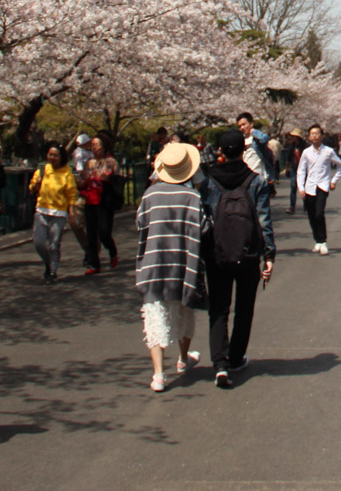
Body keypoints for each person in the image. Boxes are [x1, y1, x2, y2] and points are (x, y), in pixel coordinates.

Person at [198, 129, 276, 388]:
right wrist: (269, 254)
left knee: (219, 309)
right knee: (244, 309)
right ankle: (235, 357)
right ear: (244, 150)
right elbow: (264, 220)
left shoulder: (208, 180)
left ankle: (219, 365)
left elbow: (204, 220)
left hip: (217, 253)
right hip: (248, 252)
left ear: (220, 151)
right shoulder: (256, 180)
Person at [135, 143, 208, 392]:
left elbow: (140, 223)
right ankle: (183, 359)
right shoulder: (192, 197)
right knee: (184, 312)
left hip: (154, 264)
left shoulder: (149, 195)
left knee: (156, 316)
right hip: (182, 264)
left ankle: (158, 375)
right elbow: (204, 228)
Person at [31, 144, 78, 283]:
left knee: (54, 244)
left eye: (55, 155)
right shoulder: (43, 169)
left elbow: (71, 193)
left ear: (61, 157)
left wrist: (71, 212)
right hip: (42, 210)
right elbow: (32, 187)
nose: (52, 158)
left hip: (59, 213)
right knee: (38, 242)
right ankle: (48, 262)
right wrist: (36, 183)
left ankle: (53, 271)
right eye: (50, 154)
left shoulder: (66, 172)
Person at [297, 125, 341, 254]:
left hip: (323, 186)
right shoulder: (306, 152)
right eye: (312, 134)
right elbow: (301, 170)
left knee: (319, 213)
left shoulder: (328, 151)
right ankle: (317, 240)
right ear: (309, 136)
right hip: (309, 186)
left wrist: (333, 181)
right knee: (311, 215)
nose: (314, 136)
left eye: (317, 133)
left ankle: (323, 241)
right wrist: (301, 187)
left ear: (322, 136)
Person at [79, 134, 120, 274]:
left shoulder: (111, 162)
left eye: (98, 145)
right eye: (93, 145)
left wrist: (108, 179)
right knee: (91, 234)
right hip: (90, 200)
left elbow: (118, 181)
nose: (95, 148)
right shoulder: (89, 163)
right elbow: (82, 184)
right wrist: (82, 181)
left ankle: (112, 250)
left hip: (105, 201)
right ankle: (94, 264)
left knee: (104, 232)